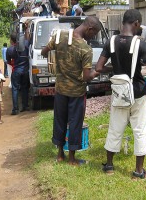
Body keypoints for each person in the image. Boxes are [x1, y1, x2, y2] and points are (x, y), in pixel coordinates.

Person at [96, 9, 146, 178]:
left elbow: (99, 68)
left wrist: (116, 68)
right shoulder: (141, 44)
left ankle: (109, 165)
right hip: (137, 93)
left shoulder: (111, 41)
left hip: (119, 92)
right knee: (139, 129)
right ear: (136, 24)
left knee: (115, 127)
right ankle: (139, 171)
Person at [41, 16, 101, 166]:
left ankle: (60, 154)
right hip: (77, 93)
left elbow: (44, 51)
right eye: (94, 34)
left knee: (60, 120)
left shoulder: (59, 36)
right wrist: (96, 72)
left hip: (60, 89)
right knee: (75, 123)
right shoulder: (85, 49)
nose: (92, 37)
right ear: (89, 29)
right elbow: (87, 77)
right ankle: (72, 159)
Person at [6, 33, 30, 115]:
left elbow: (8, 62)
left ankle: (15, 109)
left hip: (16, 71)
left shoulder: (9, 50)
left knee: (15, 89)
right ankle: (25, 106)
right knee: (25, 88)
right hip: (26, 71)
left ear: (11, 40)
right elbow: (28, 37)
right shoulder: (26, 44)